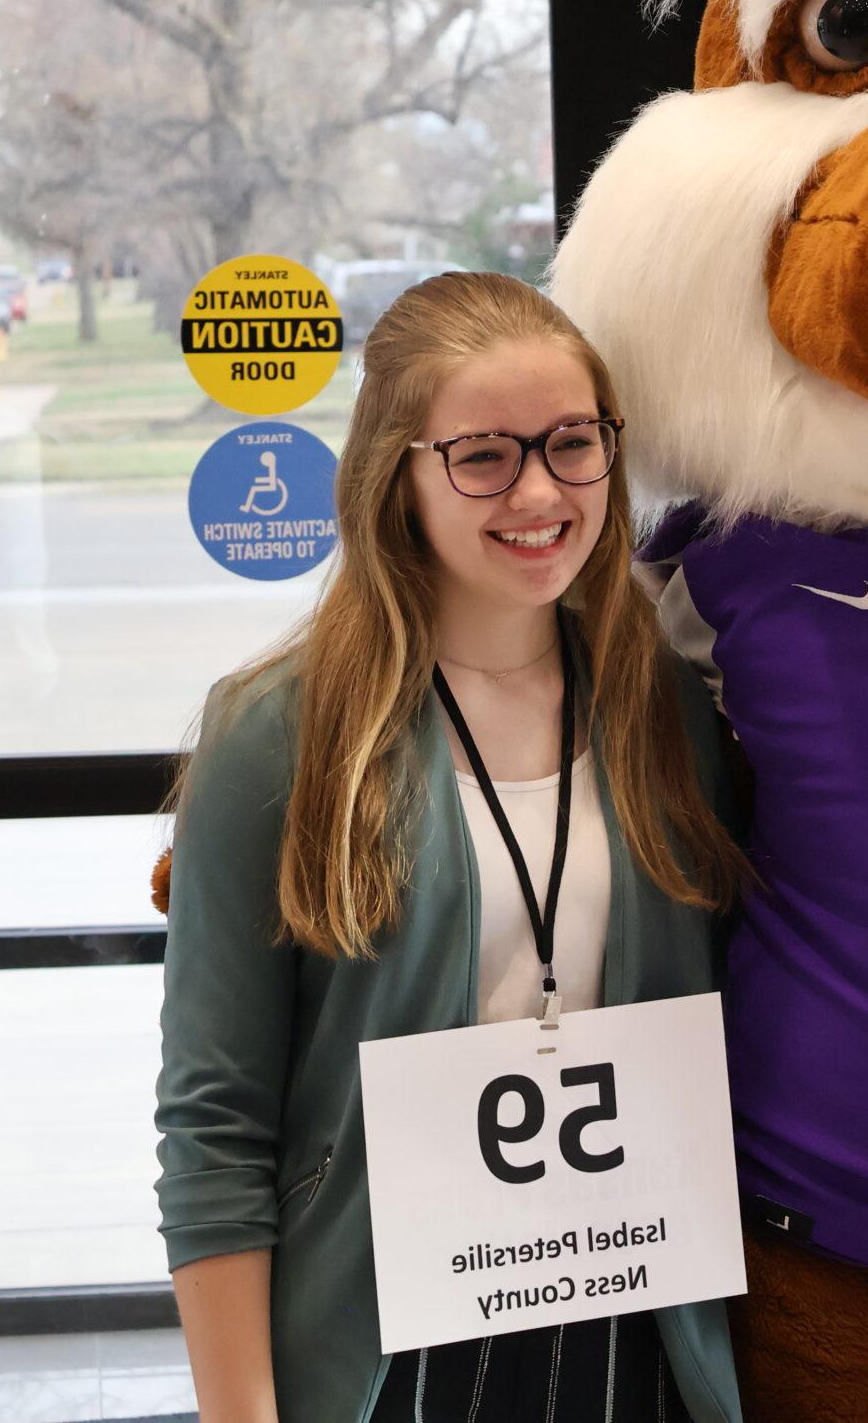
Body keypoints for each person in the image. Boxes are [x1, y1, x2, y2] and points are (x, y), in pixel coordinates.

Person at [154, 272, 749, 1423]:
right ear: (397, 476)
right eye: (483, 455)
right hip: (393, 1345)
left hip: (639, 1319)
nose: (538, 489)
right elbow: (214, 1125)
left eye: (574, 443)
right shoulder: (279, 733)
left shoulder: (670, 710)